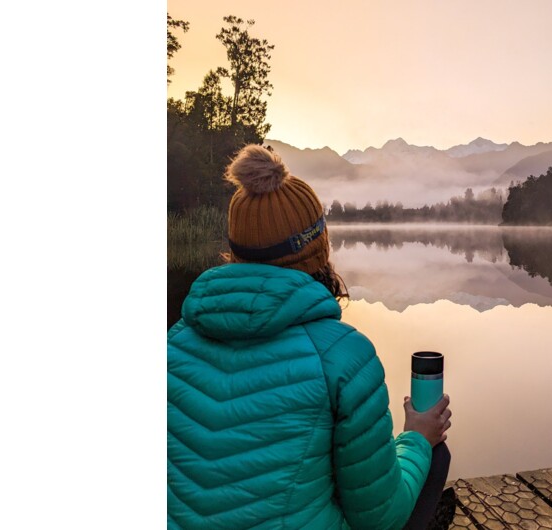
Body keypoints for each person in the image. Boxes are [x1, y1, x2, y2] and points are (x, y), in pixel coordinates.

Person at [167, 144, 454, 529]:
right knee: (434, 455)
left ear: (234, 251)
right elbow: (380, 517)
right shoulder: (344, 357)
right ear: (319, 248)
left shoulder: (175, 341)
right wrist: (417, 438)